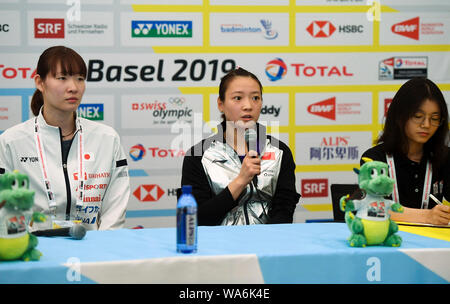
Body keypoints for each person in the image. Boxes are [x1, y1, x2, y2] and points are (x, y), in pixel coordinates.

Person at [0, 46, 130, 231]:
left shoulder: (107, 139)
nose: (74, 88)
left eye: (80, 79)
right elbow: (5, 208)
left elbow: (114, 212)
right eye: (62, 78)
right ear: (40, 82)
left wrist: (103, 247)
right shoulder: (11, 141)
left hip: (95, 251)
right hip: (34, 251)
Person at [181, 67, 300, 225]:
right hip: (218, 246)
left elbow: (284, 212)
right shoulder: (198, 155)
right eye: (238, 98)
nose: (248, 106)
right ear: (221, 104)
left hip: (269, 244)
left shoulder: (279, 151)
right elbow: (197, 218)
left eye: (255, 98)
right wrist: (241, 180)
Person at [361, 77, 450, 225]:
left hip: (432, 244)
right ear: (400, 116)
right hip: (387, 240)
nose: (426, 125)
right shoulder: (374, 158)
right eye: (418, 116)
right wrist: (427, 216)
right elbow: (373, 207)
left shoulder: (445, 156)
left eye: (435, 118)